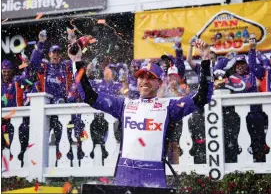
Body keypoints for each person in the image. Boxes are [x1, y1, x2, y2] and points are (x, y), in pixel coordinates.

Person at [68, 39, 213, 188]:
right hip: (125, 177)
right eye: (141, 77)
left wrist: (206, 60)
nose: (145, 81)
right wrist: (77, 61)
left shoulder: (169, 107)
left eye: (150, 77)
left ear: (160, 83)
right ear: (136, 81)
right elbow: (88, 95)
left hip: (154, 180)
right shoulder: (124, 105)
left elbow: (203, 96)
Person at [30, 30, 73, 165]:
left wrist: (72, 41)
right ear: (49, 54)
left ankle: (65, 166)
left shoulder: (65, 66)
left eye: (58, 53)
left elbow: (76, 58)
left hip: (61, 109)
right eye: (53, 52)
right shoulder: (44, 66)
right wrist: (41, 42)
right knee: (43, 139)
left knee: (64, 137)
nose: (56, 55)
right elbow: (33, 61)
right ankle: (42, 169)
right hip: (46, 109)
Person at [248, 37, 271, 154]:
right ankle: (262, 151)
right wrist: (252, 49)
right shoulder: (264, 71)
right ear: (270, 60)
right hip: (266, 109)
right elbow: (251, 65)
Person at [158, 66, 188, 165]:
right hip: (165, 118)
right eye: (170, 76)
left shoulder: (183, 87)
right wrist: (163, 86)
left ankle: (175, 166)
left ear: (178, 78)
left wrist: (174, 89)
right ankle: (165, 167)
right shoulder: (163, 87)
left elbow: (185, 100)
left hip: (177, 119)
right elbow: (158, 98)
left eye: (174, 76)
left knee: (175, 144)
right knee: (166, 144)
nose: (172, 79)